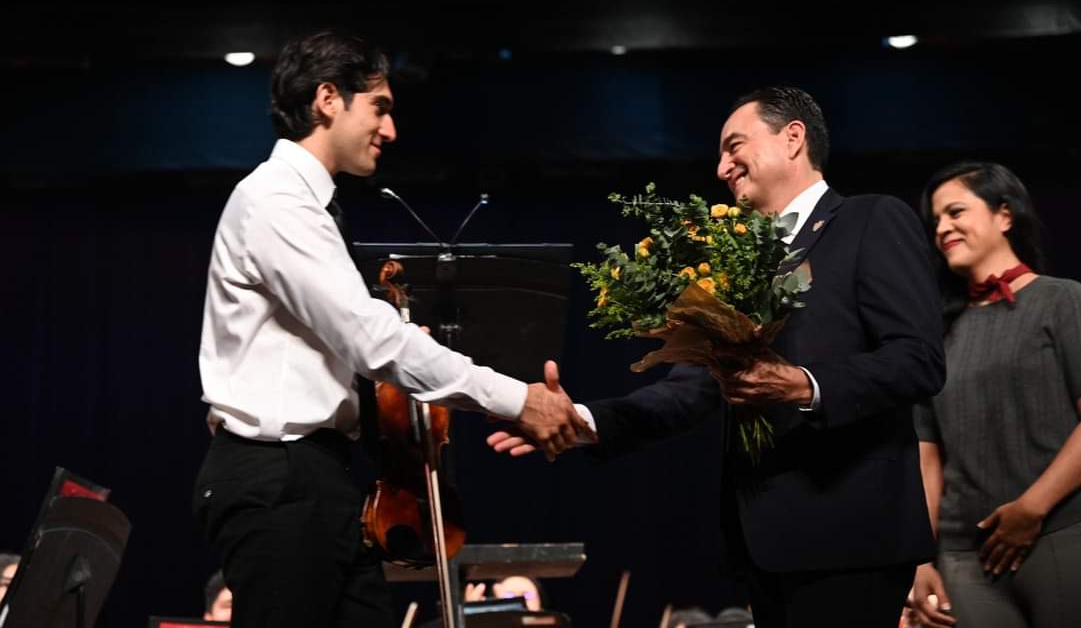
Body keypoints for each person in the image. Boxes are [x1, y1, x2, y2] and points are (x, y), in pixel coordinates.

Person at [490, 86, 945, 627]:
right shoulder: (732, 264)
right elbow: (688, 391)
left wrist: (804, 384)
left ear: (793, 138)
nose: (721, 167)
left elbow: (919, 359)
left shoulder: (870, 221)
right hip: (763, 545)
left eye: (734, 146)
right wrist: (584, 420)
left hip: (852, 536)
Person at [192, 31, 592, 628]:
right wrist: (517, 399)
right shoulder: (277, 201)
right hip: (279, 480)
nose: (391, 130)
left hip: (315, 479)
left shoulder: (305, 205)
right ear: (328, 98)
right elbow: (372, 341)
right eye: (379, 106)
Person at [904, 162, 1081, 628]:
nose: (943, 228)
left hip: (1060, 531)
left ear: (1005, 215)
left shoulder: (1062, 300)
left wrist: (1032, 507)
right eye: (935, 221)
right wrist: (922, 559)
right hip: (966, 557)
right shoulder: (937, 337)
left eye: (956, 211)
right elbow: (927, 457)